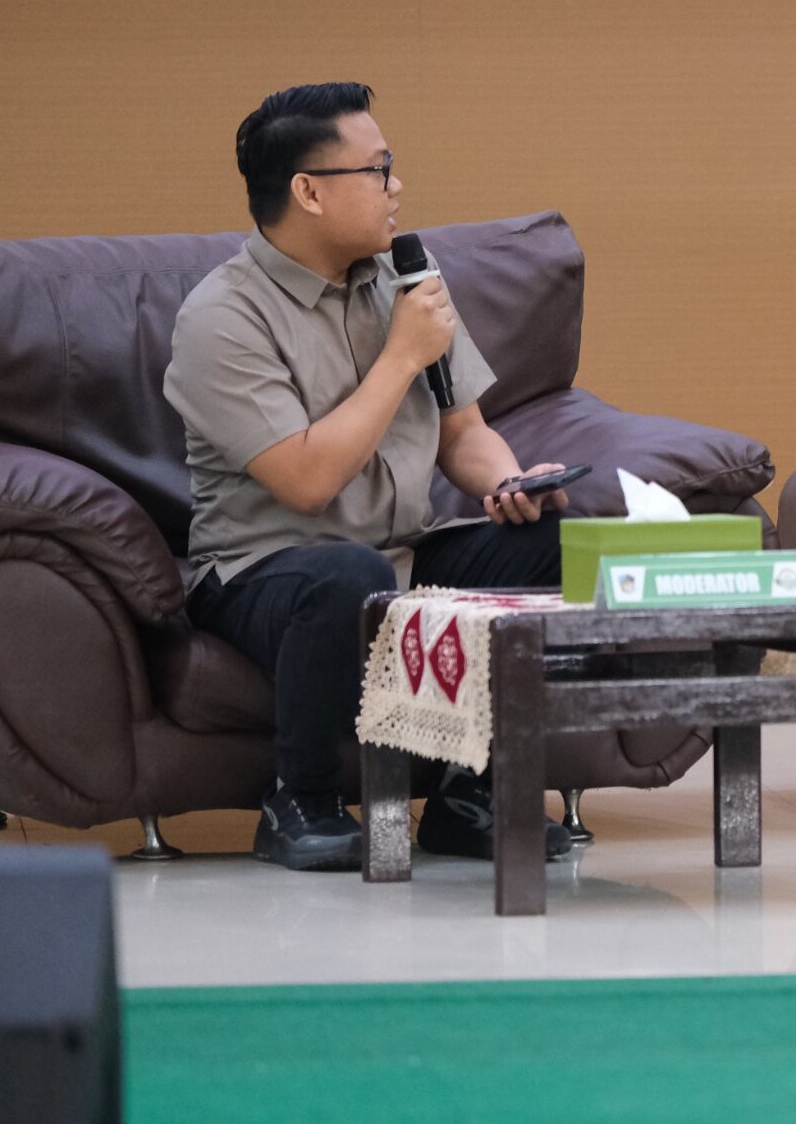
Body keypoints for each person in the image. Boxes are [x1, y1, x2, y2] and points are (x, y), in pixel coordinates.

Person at [166, 82, 578, 871]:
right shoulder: (222, 317)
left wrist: (509, 483)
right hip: (265, 572)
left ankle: (470, 796)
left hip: (400, 557)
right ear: (309, 192)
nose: (397, 187)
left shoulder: (407, 281)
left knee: (552, 542)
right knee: (346, 574)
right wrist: (399, 355)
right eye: (378, 170)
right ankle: (298, 802)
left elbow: (464, 432)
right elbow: (306, 482)